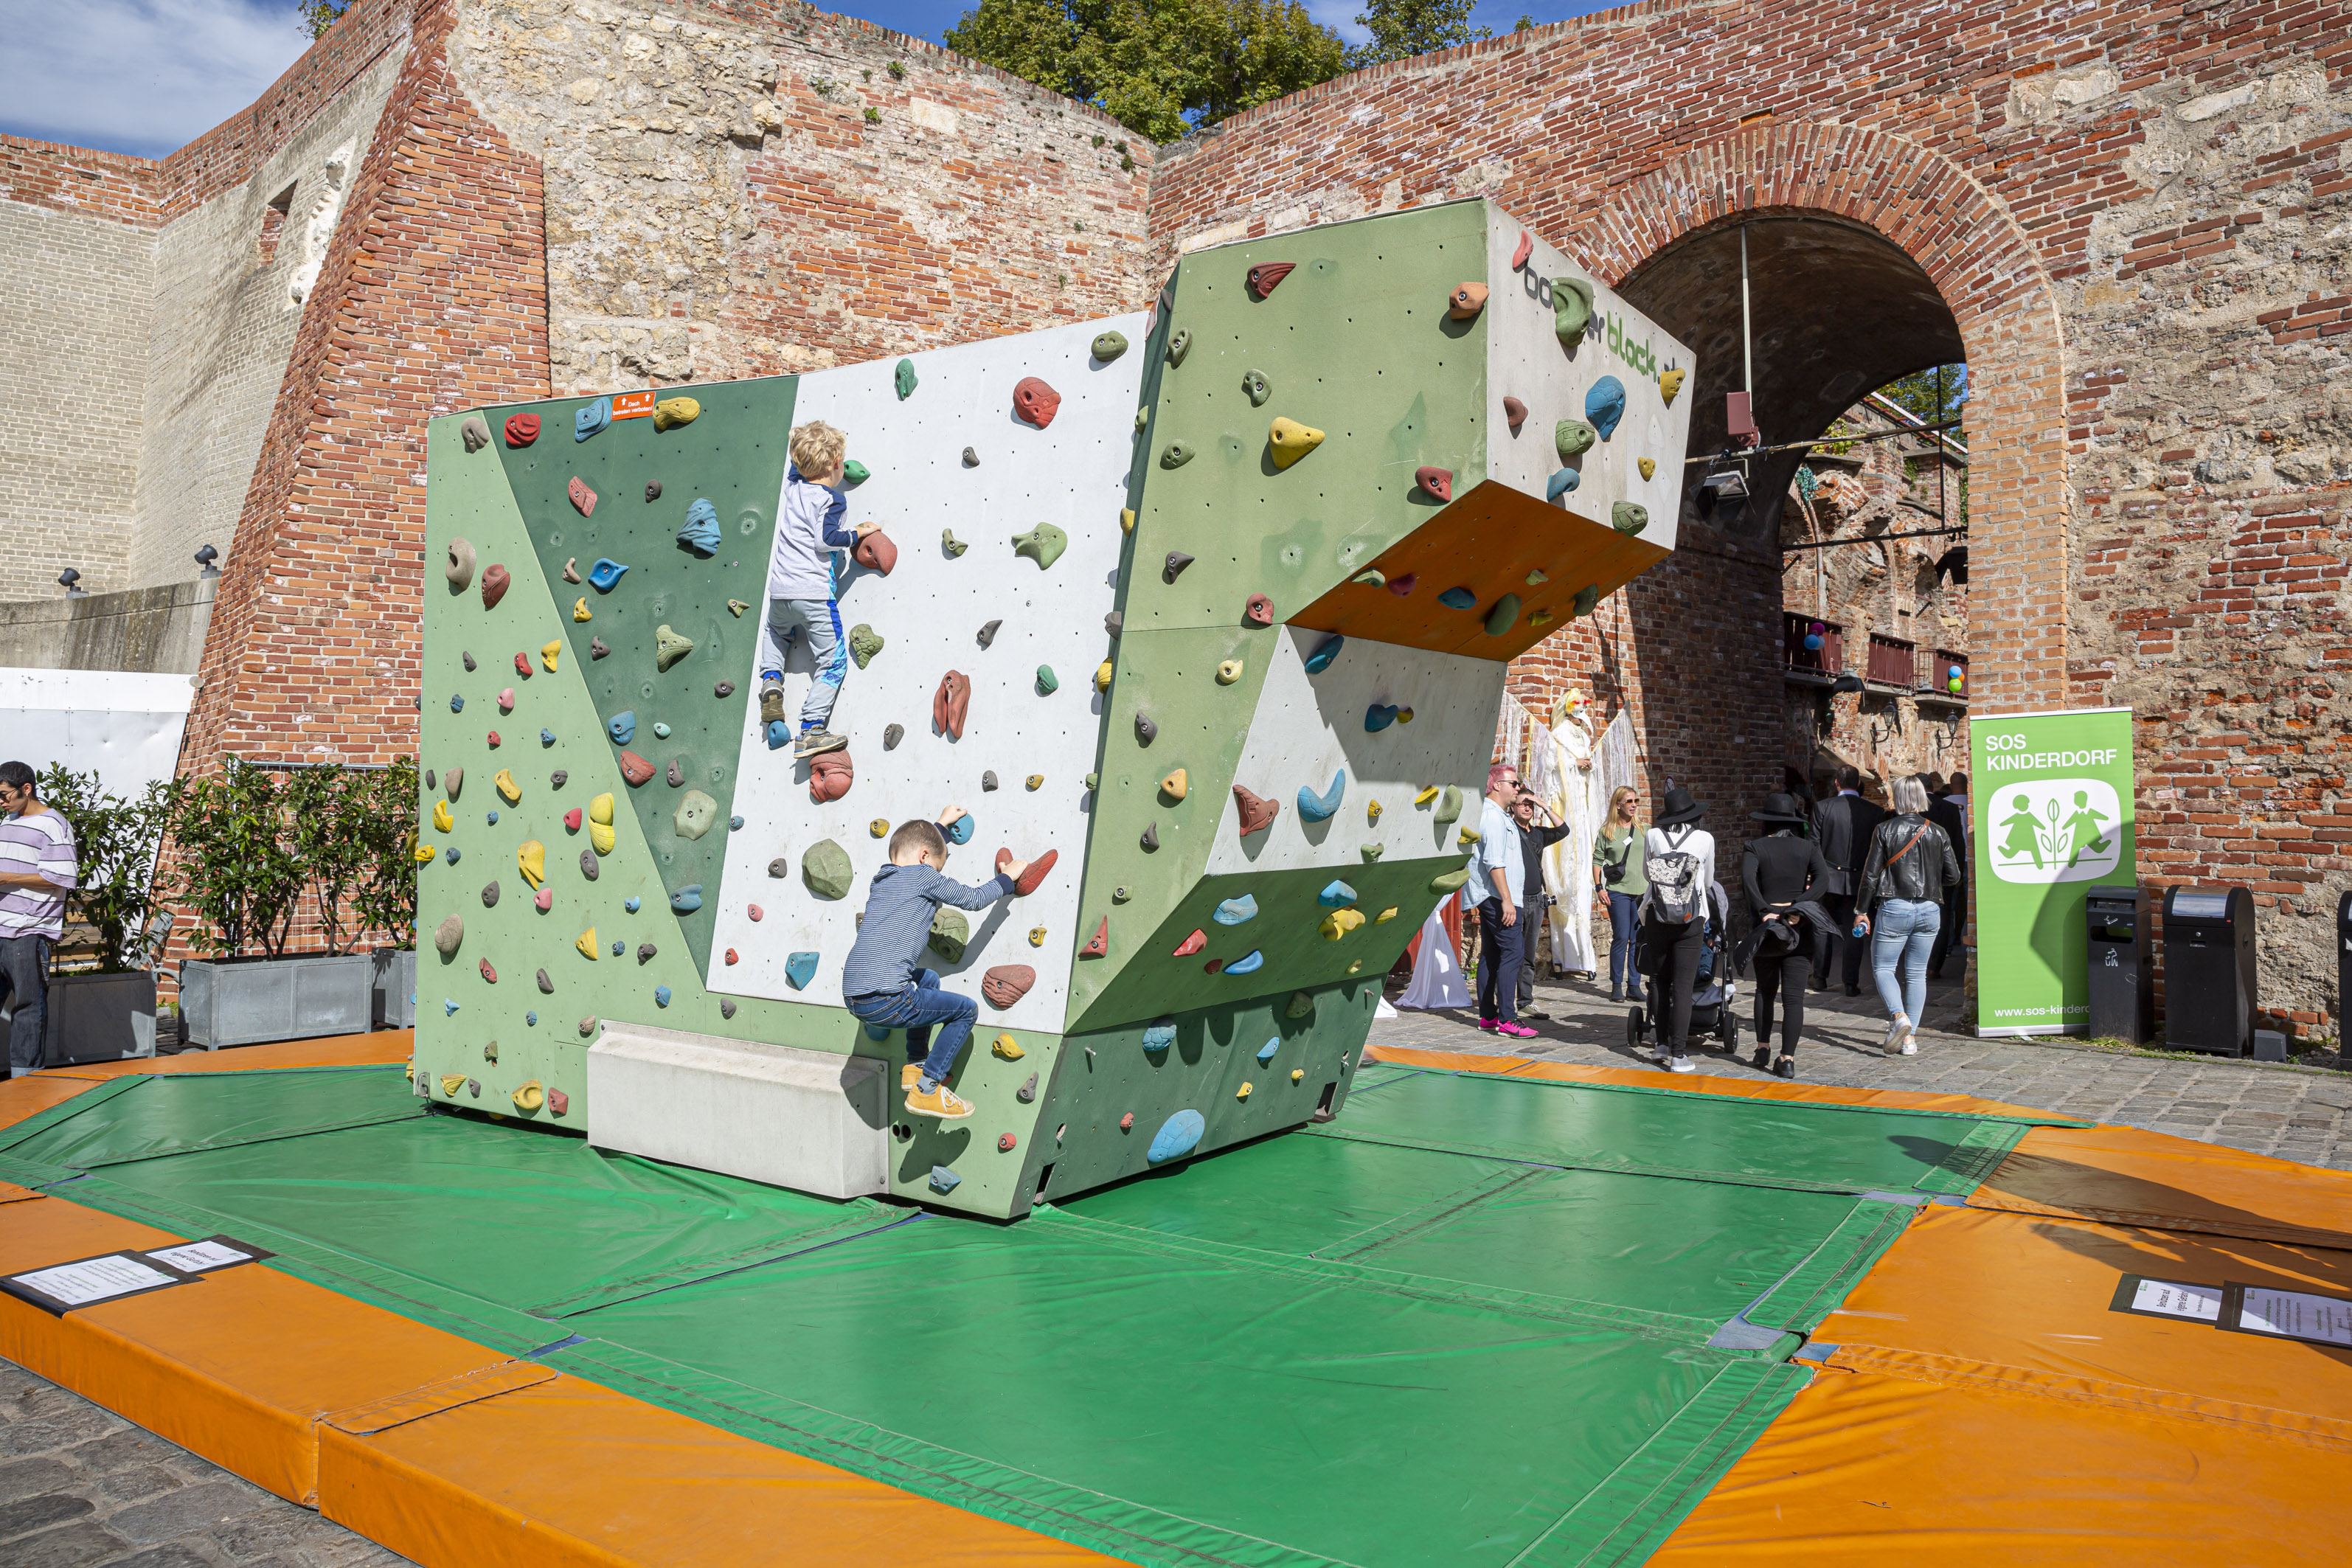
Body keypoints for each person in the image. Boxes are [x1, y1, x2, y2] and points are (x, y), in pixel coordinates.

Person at [841, 811, 1028, 1119]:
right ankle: (927, 1090)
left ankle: (916, 1065)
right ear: (925, 858)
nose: (938, 874)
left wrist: (940, 828)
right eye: (938, 868)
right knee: (965, 1010)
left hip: (855, 997)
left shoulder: (883, 880)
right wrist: (1008, 879)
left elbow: (918, 846)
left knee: (927, 977)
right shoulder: (923, 876)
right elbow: (974, 899)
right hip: (888, 998)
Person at [759, 420, 877, 760]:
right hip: (813, 594)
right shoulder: (833, 499)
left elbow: (797, 472)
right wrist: (859, 531)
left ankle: (771, 680)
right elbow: (826, 540)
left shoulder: (792, 489)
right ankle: (811, 728)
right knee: (833, 661)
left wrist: (799, 442)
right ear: (836, 465)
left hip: (781, 592)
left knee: (775, 631)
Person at [1854, 775, 1963, 1056]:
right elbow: (1954, 876)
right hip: (1929, 908)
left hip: (1895, 906)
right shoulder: (1938, 831)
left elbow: (1870, 876)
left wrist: (1861, 911)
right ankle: (1909, 1039)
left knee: (1883, 968)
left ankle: (1898, 1017)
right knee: (1916, 975)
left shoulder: (1885, 829)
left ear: (1899, 798)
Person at [1740, 793, 1832, 1079]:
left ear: (1767, 821)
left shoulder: (1755, 847)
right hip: (1798, 928)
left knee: (1765, 992)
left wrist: (1765, 910)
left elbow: (1748, 882)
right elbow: (1823, 880)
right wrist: (1799, 908)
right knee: (1794, 999)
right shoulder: (1808, 847)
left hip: (1768, 929)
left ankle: (1762, 1047)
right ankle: (1787, 1059)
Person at [0, 762, 77, 1079]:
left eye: (5, 795)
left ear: (26, 789)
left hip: (29, 930)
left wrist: (6, 878)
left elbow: (61, 877)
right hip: (2, 927)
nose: (1, 802)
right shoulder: (9, 819)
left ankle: (26, 1084)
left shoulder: (54, 825)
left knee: (29, 1009)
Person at [1638, 786, 1714, 1074]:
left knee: (1658, 979)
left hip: (1658, 914)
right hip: (1690, 917)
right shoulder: (1704, 838)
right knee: (1683, 986)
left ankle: (1660, 1044)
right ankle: (1678, 1054)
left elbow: (1647, 874)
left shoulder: (1653, 835)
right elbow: (1707, 883)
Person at [1463, 763, 1534, 1038]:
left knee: (1492, 955)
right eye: (1514, 783)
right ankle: (1508, 1019)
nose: (1518, 788)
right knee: (1513, 953)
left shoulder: (1498, 815)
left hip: (1497, 895)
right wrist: (1506, 900)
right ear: (1497, 785)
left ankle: (1489, 1017)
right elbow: (1494, 862)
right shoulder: (1491, 817)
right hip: (1498, 896)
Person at [1811, 766, 1885, 995]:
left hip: (1827, 877)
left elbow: (1814, 845)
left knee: (1823, 928)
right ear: (1859, 785)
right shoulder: (1875, 812)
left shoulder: (1823, 807)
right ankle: (1850, 983)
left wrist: (1813, 876)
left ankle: (1820, 977)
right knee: (1857, 930)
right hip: (1860, 879)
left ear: (1837, 783)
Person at [1510, 788, 1573, 1020]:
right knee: (1510, 954)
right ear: (1513, 807)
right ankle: (1504, 1003)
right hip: (1514, 900)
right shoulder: (1508, 830)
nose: (1527, 808)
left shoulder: (1538, 834)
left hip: (1536, 901)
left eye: (1530, 805)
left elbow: (1563, 829)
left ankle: (1525, 1002)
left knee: (1528, 955)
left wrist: (1544, 805)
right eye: (1522, 804)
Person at [1592, 785, 1646, 1004]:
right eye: (1629, 801)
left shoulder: (1645, 830)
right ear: (1619, 805)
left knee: (1638, 940)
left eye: (1636, 801)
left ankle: (1634, 985)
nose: (1634, 805)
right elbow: (1597, 860)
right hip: (1618, 892)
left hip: (1642, 893)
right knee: (1622, 937)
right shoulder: (1608, 831)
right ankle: (1616, 985)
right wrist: (1599, 887)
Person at [1926, 772, 1970, 979]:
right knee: (1949, 912)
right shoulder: (1953, 807)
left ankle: (1918, 963)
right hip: (1950, 867)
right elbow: (1958, 843)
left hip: (1917, 872)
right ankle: (1937, 961)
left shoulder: (1914, 807)